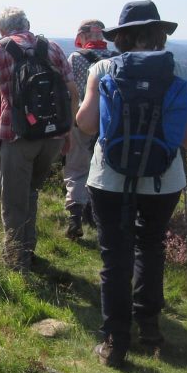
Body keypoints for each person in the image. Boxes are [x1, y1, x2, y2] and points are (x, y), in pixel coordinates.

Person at [75, 0, 187, 368]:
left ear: (122, 36)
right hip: (165, 179)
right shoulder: (179, 69)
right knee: (151, 245)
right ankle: (150, 327)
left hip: (110, 178)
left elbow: (85, 124)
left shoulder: (102, 68)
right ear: (160, 33)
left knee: (115, 256)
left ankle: (115, 342)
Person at [0, 8, 79, 272]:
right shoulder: (51, 47)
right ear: (27, 24)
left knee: (13, 200)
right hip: (52, 135)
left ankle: (16, 262)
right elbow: (73, 92)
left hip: (17, 136)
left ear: (1, 30)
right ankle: (27, 250)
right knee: (31, 192)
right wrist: (68, 132)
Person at [63, 20, 117, 239]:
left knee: (76, 169)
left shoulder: (75, 58)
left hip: (81, 119)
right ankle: (99, 217)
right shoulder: (116, 58)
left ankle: (75, 215)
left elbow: (69, 91)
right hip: (110, 122)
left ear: (83, 36)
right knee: (105, 168)